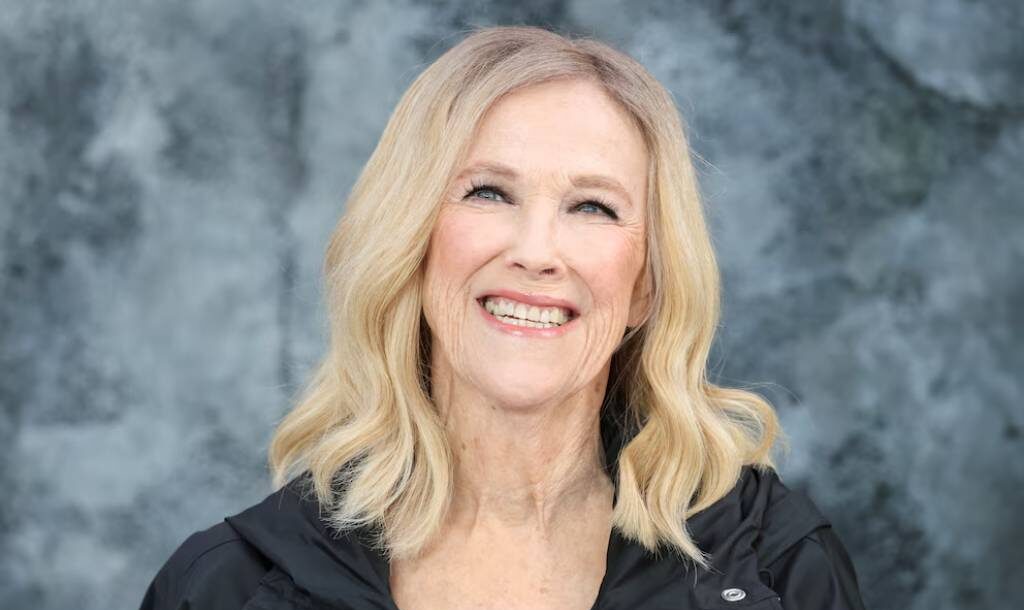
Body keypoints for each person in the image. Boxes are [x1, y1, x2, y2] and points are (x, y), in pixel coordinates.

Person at [140, 25, 867, 610]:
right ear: (412, 245)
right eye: (488, 193)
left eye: (593, 206)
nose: (536, 251)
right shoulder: (225, 586)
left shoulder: (774, 568)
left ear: (645, 284)